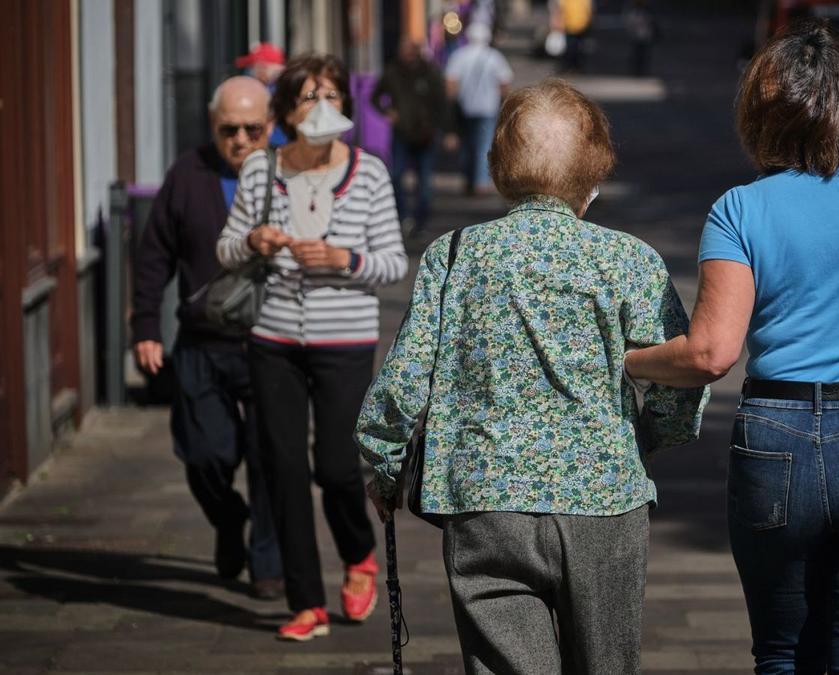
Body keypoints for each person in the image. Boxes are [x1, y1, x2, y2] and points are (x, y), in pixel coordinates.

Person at [624, 20, 839, 675]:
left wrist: (629, 360)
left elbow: (710, 352)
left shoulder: (740, 209)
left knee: (783, 653)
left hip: (777, 439)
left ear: (764, 113)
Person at [357, 79, 708, 674]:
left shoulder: (456, 253)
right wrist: (644, 437)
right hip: (604, 498)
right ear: (595, 171)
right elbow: (680, 372)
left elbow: (404, 379)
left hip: (486, 498)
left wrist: (385, 466)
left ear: (498, 168)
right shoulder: (629, 259)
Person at [216, 54, 408, 641]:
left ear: (347, 105)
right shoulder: (260, 171)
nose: (322, 107)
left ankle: (358, 554)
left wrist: (343, 259)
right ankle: (306, 601)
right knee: (282, 466)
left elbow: (394, 262)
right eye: (307, 97)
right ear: (285, 113)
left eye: (332, 95)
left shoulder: (369, 173)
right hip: (272, 336)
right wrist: (254, 239)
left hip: (344, 338)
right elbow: (225, 250)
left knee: (333, 463)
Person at [131, 76, 284, 600]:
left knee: (270, 458)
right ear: (212, 127)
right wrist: (146, 327)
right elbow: (154, 255)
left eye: (253, 129)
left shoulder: (290, 173)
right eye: (228, 130)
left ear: (271, 126)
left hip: (272, 341)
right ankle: (227, 518)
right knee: (203, 454)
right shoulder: (188, 175)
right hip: (202, 338)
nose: (240, 140)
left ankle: (268, 562)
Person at [371, 38, 449, 237]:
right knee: (396, 175)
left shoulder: (430, 72)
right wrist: (388, 112)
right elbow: (375, 97)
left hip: (426, 134)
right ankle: (403, 217)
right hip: (402, 133)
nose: (407, 54)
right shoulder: (392, 72)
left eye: (410, 50)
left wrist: (445, 130)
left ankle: (421, 221)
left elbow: (442, 102)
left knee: (424, 182)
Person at [445, 22, 513, 196]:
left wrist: (452, 105)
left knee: (467, 145)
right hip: (487, 108)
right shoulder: (494, 57)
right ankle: (480, 182)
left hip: (465, 107)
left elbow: (450, 84)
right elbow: (504, 83)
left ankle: (468, 178)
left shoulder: (459, 56)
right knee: (484, 145)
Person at [236, 42, 289, 146]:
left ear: (262, 68)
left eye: (251, 67)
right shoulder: (288, 85)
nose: (249, 72)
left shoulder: (270, 92)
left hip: (274, 147)